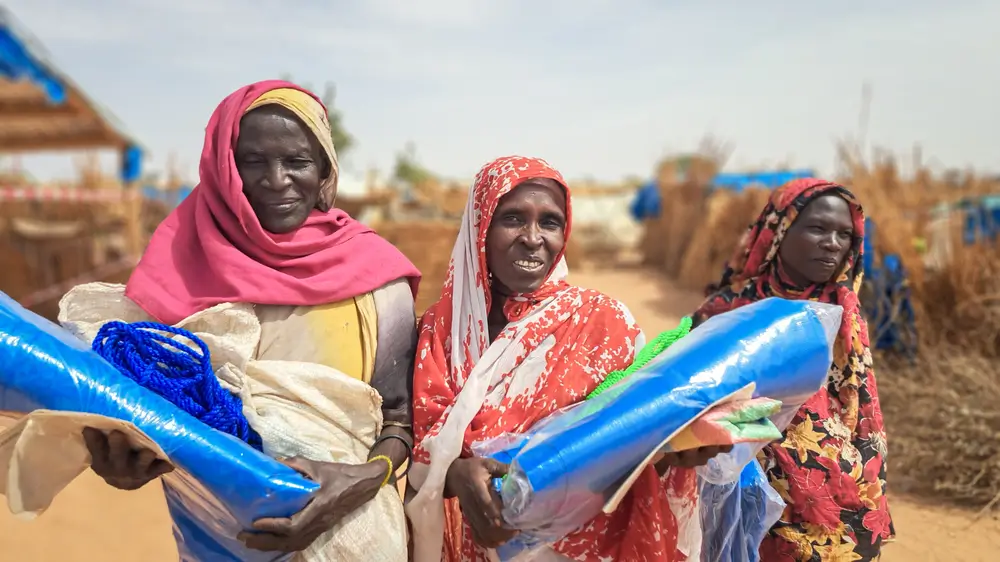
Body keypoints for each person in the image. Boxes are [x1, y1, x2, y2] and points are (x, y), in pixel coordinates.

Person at [76, 80, 421, 557]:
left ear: (323, 169)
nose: (276, 180)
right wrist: (123, 460)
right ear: (224, 169)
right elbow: (148, 412)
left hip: (352, 537)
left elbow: (399, 421)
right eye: (252, 161)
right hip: (216, 539)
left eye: (297, 161)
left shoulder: (377, 279)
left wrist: (358, 481)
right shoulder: (180, 272)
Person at [406, 155, 725, 562]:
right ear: (479, 227)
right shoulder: (441, 330)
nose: (533, 238)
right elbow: (423, 439)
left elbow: (630, 445)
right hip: (473, 546)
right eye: (513, 219)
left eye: (550, 222)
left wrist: (673, 449)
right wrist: (454, 474)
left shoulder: (603, 323)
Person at [693, 179, 894, 561]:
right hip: (752, 497)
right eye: (818, 228)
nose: (832, 243)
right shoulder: (729, 310)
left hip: (839, 502)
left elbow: (865, 414)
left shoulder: (845, 311)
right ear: (779, 231)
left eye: (844, 234)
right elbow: (699, 408)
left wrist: (870, 496)